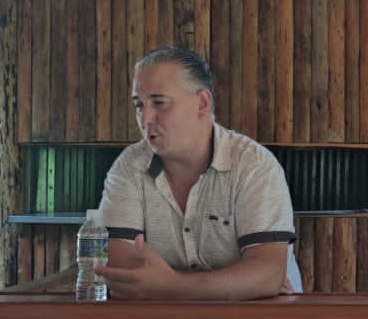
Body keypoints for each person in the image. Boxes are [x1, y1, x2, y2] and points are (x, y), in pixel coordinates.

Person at [96, 45, 301, 300]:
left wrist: (168, 285)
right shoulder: (129, 166)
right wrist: (237, 282)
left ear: (202, 104)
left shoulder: (254, 165)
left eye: (159, 102)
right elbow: (118, 268)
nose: (145, 117)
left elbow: (267, 274)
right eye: (139, 104)